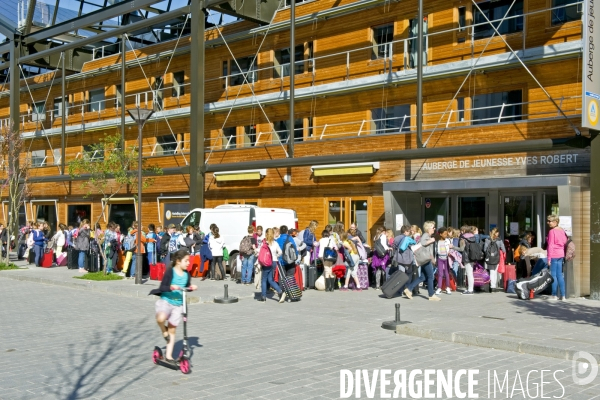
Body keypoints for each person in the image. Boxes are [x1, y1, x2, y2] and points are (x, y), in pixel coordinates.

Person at [150, 249, 197, 365]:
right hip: (166, 301)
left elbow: (185, 287)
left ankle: (169, 356)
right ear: (178, 261)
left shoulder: (187, 275)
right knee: (160, 318)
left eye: (188, 261)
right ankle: (163, 330)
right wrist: (171, 287)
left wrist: (191, 287)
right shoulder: (170, 272)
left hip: (178, 305)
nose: (188, 263)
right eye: (186, 261)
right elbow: (163, 287)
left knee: (172, 328)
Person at [404, 221, 441, 301]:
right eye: (433, 227)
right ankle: (431, 295)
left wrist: (433, 260)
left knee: (423, 277)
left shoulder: (429, 236)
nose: (434, 229)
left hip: (426, 258)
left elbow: (429, 250)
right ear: (428, 228)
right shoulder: (425, 235)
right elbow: (423, 243)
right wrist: (432, 240)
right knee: (431, 277)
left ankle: (409, 289)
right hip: (425, 259)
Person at [259, 228, 284, 303]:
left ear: (266, 234)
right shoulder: (275, 243)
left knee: (264, 279)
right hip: (274, 262)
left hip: (266, 262)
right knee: (270, 279)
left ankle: (263, 296)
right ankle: (279, 291)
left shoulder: (264, 243)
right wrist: (275, 256)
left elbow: (260, 251)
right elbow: (280, 252)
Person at [546, 215, 567, 300]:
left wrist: (549, 258)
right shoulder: (562, 230)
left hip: (554, 254)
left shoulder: (552, 231)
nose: (548, 223)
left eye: (549, 221)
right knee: (560, 275)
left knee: (553, 275)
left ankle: (554, 295)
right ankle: (563, 295)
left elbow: (550, 245)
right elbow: (565, 241)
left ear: (555, 222)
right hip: (561, 254)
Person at [458, 225, 476, 295]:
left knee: (469, 273)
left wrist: (452, 247)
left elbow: (461, 249)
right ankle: (470, 288)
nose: (461, 232)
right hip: (472, 256)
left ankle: (470, 290)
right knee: (470, 273)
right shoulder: (473, 237)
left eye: (461, 230)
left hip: (466, 257)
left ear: (464, 231)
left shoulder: (463, 238)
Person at [435, 227, 453, 295]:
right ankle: (439, 288)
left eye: (446, 234)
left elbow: (451, 249)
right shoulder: (437, 241)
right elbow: (435, 251)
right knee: (440, 274)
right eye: (445, 234)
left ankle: (448, 287)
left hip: (446, 259)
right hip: (440, 258)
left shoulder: (448, 240)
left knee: (447, 273)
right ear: (440, 234)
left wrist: (450, 252)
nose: (446, 235)